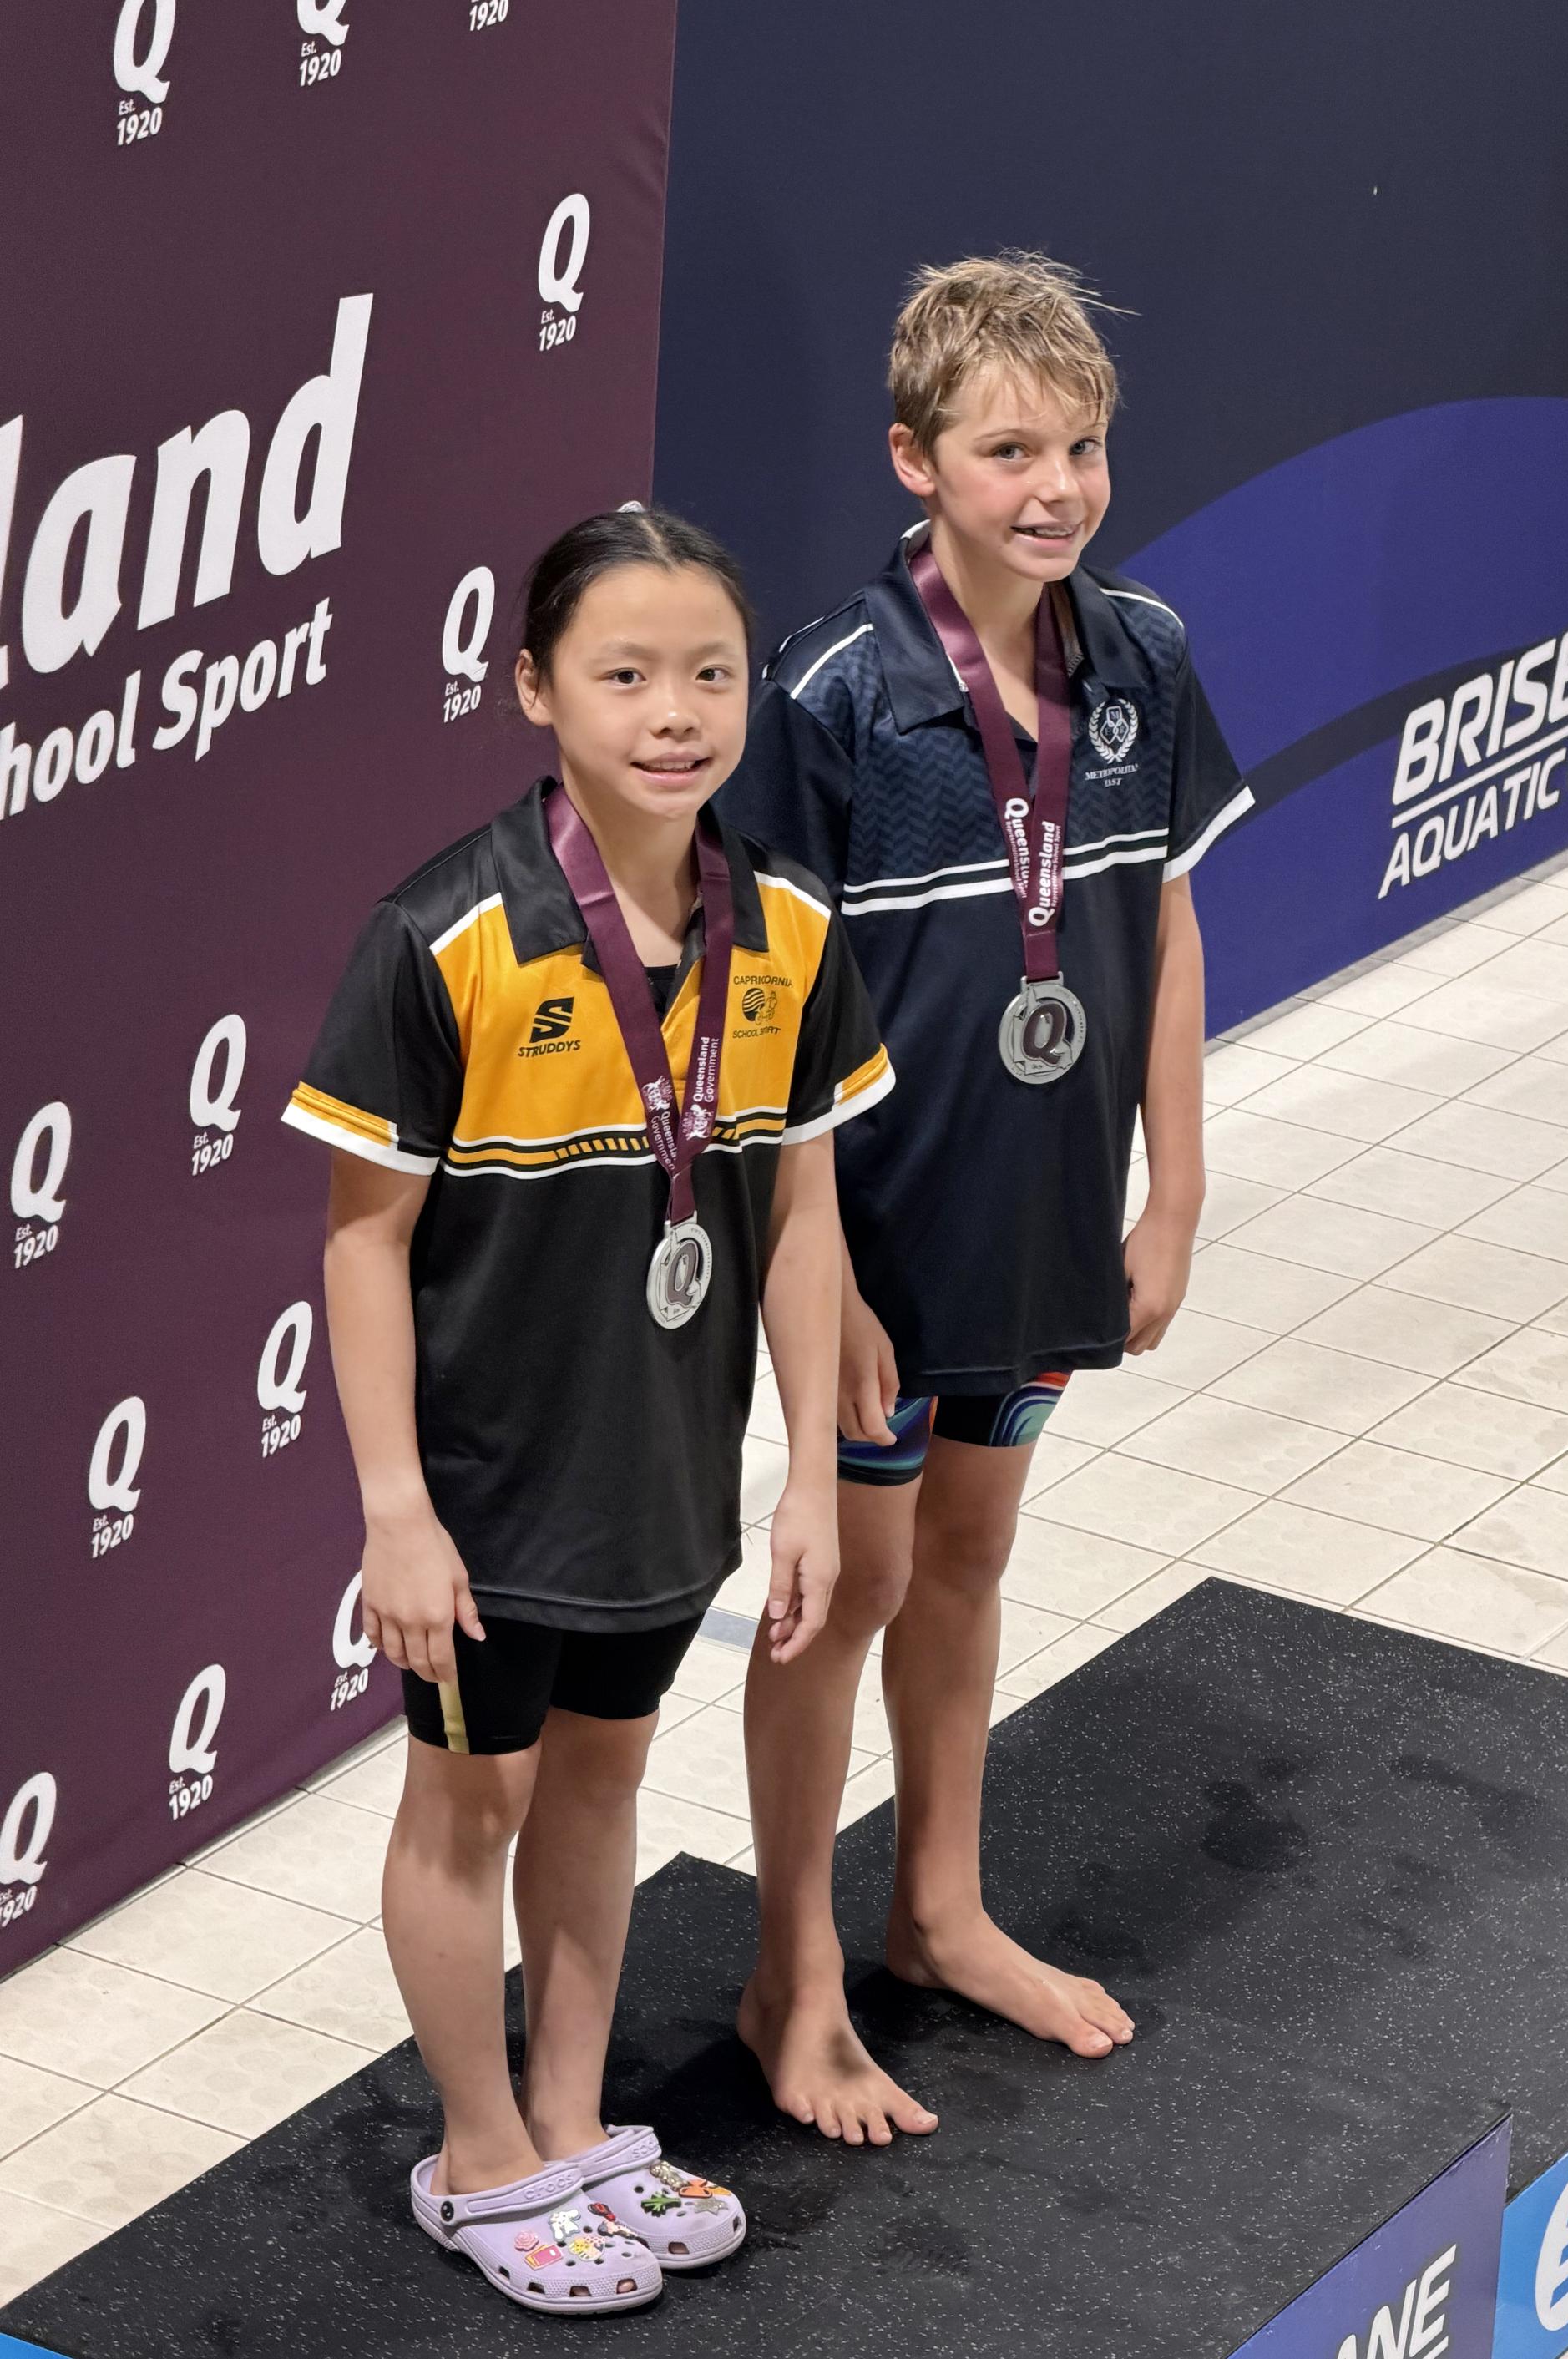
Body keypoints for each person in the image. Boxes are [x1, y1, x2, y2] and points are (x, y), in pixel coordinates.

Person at [281, 508, 893, 2312]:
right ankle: (476, 2159)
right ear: (536, 688)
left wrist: (808, 1476)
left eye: (710, 673)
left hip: (662, 1471)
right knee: (471, 1799)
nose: (673, 711)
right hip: (485, 1489)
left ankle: (566, 2120)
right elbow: (364, 1245)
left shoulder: (787, 928)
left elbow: (800, 1219)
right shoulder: (447, 935)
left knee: (606, 1778)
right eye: (624, 674)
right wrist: (395, 1509)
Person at [717, 252, 1254, 2145]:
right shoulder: (837, 694)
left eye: (1082, 446)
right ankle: (791, 1974)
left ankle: (937, 1911)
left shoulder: (1144, 657)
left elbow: (1168, 927)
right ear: (914, 460)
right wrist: (827, 1283)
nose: (1057, 487)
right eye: (1008, 449)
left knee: (965, 1559)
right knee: (845, 1588)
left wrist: (1173, 1196)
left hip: (1040, 1216)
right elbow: (762, 1013)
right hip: (875, 1237)